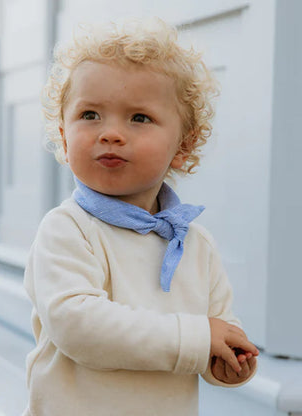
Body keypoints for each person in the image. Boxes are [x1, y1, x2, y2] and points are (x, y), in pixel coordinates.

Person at [22, 17, 258, 416]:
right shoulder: (68, 229)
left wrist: (228, 363)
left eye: (139, 118)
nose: (111, 133)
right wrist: (199, 339)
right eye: (90, 115)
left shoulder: (195, 245)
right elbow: (79, 326)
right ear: (64, 135)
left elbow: (218, 330)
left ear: (182, 147)